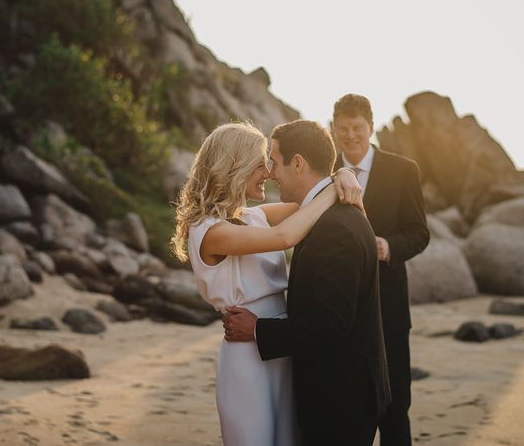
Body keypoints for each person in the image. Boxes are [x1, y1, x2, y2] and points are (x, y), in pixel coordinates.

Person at [171, 122, 363, 446]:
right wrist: (335, 184)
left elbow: (309, 200)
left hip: (280, 346)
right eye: (261, 164)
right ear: (236, 167)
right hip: (248, 354)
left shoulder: (252, 217)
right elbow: (285, 236)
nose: (269, 173)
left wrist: (343, 175)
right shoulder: (209, 231)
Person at [223, 120, 391, 445]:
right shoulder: (328, 214)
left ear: (297, 163)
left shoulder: (333, 228)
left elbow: (333, 321)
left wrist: (258, 330)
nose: (270, 173)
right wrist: (342, 174)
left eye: (274, 162)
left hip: (341, 402)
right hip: (346, 393)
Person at [332, 94, 430, 445]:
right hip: (339, 307)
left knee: (394, 404)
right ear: (333, 129)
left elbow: (420, 233)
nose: (351, 135)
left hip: (388, 305)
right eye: (343, 128)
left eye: (358, 127)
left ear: (371, 128)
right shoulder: (327, 174)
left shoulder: (405, 170)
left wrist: (388, 247)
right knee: (345, 406)